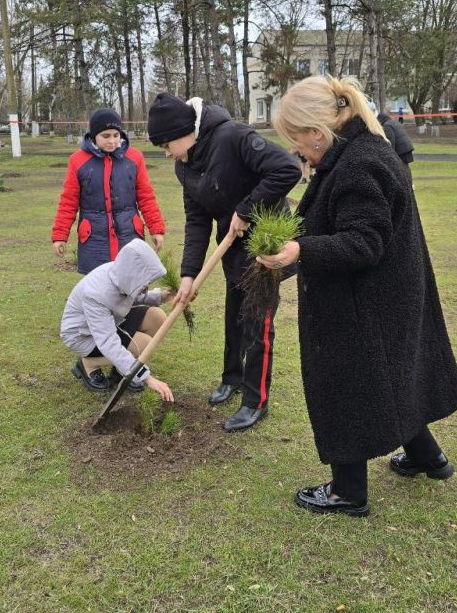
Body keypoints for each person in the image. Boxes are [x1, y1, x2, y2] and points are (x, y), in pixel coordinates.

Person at [259, 76, 457, 517]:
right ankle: (429, 458)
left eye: (295, 140)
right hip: (382, 296)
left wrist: (300, 250)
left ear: (317, 132)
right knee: (393, 378)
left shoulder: (360, 164)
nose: (294, 150)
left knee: (347, 386)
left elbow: (363, 242)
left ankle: (347, 491)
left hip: (364, 304)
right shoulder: (356, 153)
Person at [146, 92, 300, 432]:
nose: (166, 153)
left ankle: (255, 401)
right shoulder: (183, 166)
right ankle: (231, 378)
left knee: (258, 324)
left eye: (166, 144)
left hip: (265, 246)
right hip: (231, 248)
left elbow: (287, 169)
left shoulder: (233, 137)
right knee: (234, 315)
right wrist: (188, 274)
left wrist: (245, 210)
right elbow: (197, 220)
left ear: (182, 133)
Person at [52, 108, 166, 274]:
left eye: (116, 135)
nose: (112, 141)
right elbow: (68, 202)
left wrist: (156, 229)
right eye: (106, 136)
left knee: (133, 287)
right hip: (94, 240)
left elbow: (146, 197)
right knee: (98, 292)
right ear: (93, 136)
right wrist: (60, 236)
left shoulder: (135, 158)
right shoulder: (78, 161)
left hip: (129, 236)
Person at [60, 239, 174, 400]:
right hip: (83, 336)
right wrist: (146, 377)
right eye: (145, 282)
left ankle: (123, 367)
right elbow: (107, 340)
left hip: (111, 321)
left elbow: (132, 297)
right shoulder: (96, 293)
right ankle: (88, 364)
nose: (146, 285)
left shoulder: (122, 275)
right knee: (144, 345)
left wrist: (162, 296)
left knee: (157, 318)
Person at [377, 110, 415, 183]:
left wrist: (391, 156)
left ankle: (406, 184)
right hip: (407, 148)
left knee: (401, 171)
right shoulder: (394, 122)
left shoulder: (386, 126)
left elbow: (391, 142)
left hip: (400, 151)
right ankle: (409, 183)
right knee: (406, 168)